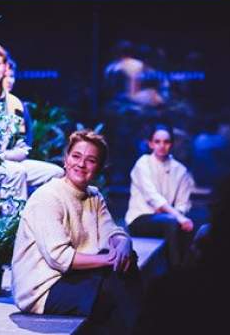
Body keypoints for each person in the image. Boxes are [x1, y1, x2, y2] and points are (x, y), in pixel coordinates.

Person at [12, 130, 143, 334]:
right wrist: (111, 259)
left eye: (91, 160)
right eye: (76, 156)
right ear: (66, 159)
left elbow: (110, 232)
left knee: (126, 263)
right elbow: (59, 257)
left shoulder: (94, 196)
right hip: (43, 289)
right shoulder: (48, 197)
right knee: (112, 288)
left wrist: (124, 243)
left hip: (73, 277)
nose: (81, 164)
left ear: (99, 168)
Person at [0, 44, 62, 205]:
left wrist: (3, 156)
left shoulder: (15, 103)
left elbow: (21, 147)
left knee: (55, 173)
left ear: (5, 67)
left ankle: (37, 215)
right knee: (16, 171)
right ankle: (13, 220)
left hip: (5, 160)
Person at [125, 125, 196, 269]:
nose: (162, 146)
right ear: (150, 144)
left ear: (172, 144)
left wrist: (178, 215)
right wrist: (177, 216)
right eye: (157, 142)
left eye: (166, 142)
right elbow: (152, 197)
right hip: (140, 218)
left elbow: (183, 203)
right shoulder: (143, 163)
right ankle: (176, 271)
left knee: (186, 226)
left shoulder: (180, 170)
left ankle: (186, 271)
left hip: (169, 219)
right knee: (171, 222)